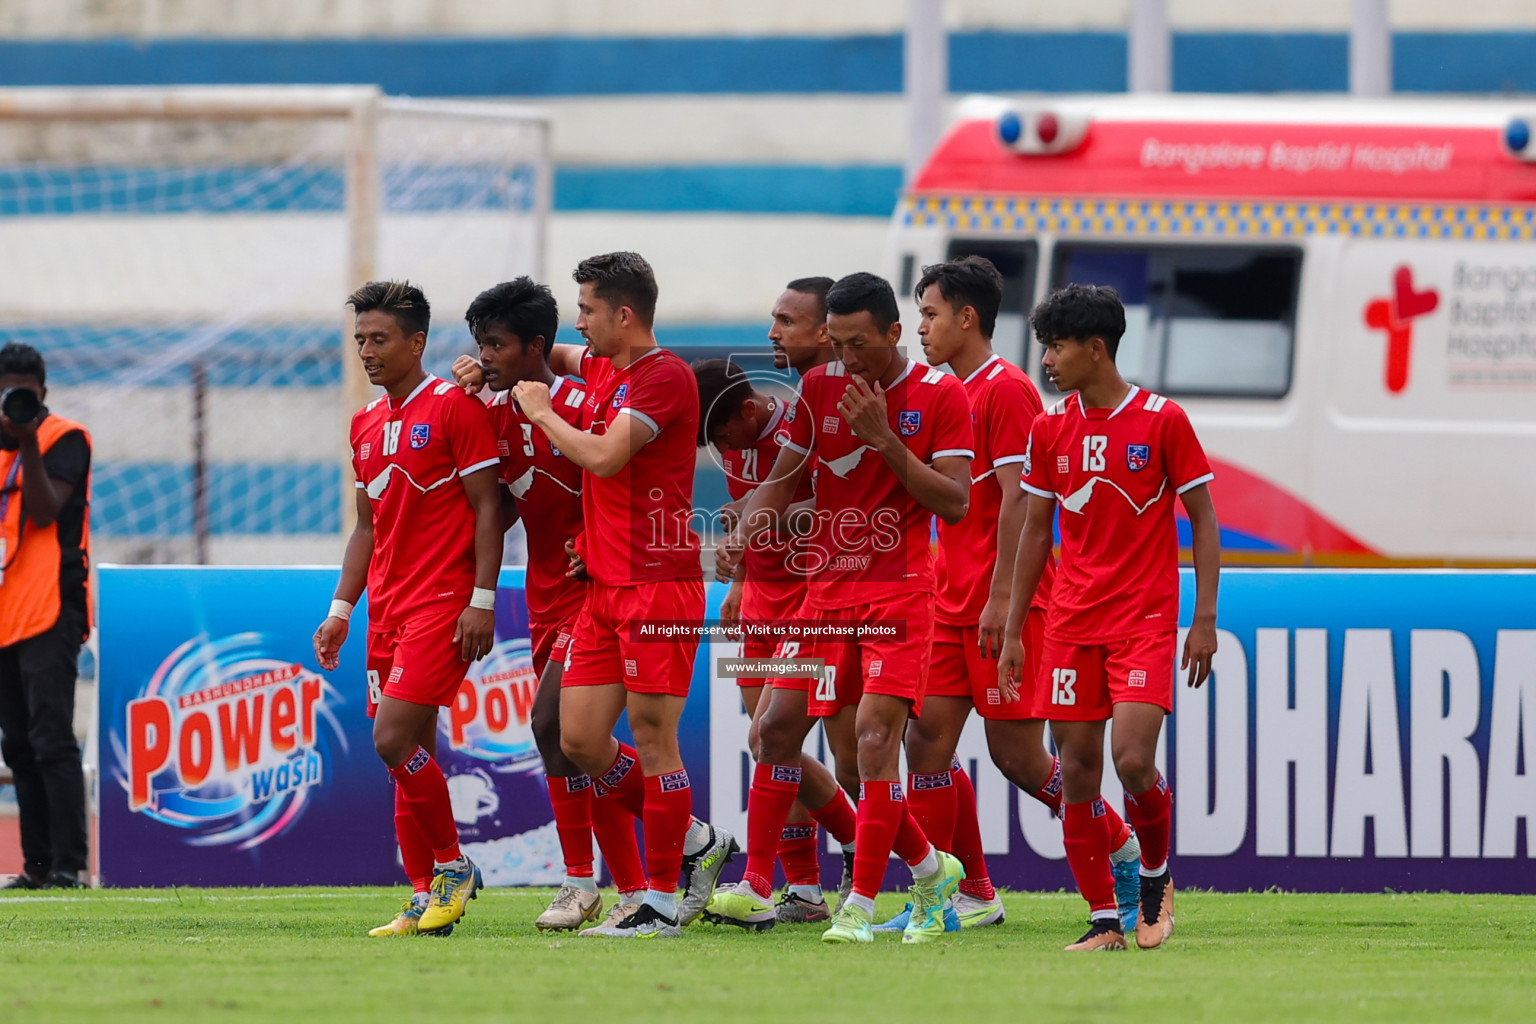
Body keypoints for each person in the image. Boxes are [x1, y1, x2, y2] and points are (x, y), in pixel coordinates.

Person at [879, 256, 1141, 934]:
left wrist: (1006, 603)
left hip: (1004, 605)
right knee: (925, 742)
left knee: (1018, 758)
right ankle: (957, 896)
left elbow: (1023, 505)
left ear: (967, 317)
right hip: (947, 599)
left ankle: (1118, 842)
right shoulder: (944, 391)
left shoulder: (1006, 391)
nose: (923, 327)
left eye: (931, 314)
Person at [718, 272, 973, 945]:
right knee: (774, 730)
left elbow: (956, 501)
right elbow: (785, 475)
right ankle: (915, 869)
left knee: (870, 742)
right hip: (825, 594)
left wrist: (885, 438)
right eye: (837, 342)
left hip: (899, 591)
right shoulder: (820, 387)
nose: (848, 357)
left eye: (859, 343)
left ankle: (858, 904)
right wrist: (745, 535)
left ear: (894, 333)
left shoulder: (940, 396)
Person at [502, 252, 733, 939]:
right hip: (602, 588)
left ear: (624, 315)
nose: (580, 323)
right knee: (577, 737)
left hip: (656, 588)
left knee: (655, 741)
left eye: (588, 310)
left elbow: (604, 456)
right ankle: (696, 842)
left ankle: (658, 903)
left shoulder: (663, 379)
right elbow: (562, 354)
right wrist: (500, 362)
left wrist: (540, 413)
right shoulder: (605, 365)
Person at [998, 283, 1220, 952]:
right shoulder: (1049, 428)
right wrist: (1013, 628)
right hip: (1068, 624)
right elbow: (1037, 532)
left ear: (1096, 349)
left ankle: (1153, 882)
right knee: (1078, 773)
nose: (1047, 360)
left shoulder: (1161, 420)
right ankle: (1104, 920)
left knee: (1131, 761)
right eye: (1044, 347)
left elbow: (1203, 518)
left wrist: (1203, 618)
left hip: (1143, 620)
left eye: (1057, 347)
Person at [312, 281, 503, 937]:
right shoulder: (364, 423)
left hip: (443, 603)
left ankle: (452, 868)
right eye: (360, 338)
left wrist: (484, 599)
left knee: (391, 738)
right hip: (386, 609)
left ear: (416, 342)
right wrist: (342, 608)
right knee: (408, 756)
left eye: (379, 338)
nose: (366, 350)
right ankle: (425, 899)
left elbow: (489, 508)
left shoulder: (455, 408)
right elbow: (367, 527)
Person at [460, 278, 647, 932]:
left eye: (497, 345)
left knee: (551, 727)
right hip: (542, 596)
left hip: (598, 593)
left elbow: (621, 471)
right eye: (479, 343)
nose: (485, 355)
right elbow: (500, 504)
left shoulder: (584, 399)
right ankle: (633, 888)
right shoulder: (488, 413)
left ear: (536, 345)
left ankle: (590, 878)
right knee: (573, 747)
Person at [692, 355, 858, 929]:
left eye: (718, 435)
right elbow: (749, 517)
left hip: (812, 598)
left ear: (747, 409)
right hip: (759, 600)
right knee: (767, 743)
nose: (718, 447)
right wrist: (738, 578)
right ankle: (805, 889)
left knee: (790, 741)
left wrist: (762, 517)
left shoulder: (802, 431)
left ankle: (867, 848)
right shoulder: (730, 441)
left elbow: (834, 511)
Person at [0, 342, 91, 891]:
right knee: (15, 742)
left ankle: (67, 865)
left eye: (23, 393)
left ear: (42, 393)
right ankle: (35, 865)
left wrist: (27, 437)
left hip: (52, 609)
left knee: (52, 737)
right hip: (5, 612)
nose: (12, 401)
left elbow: (41, 508)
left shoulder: (65, 438)